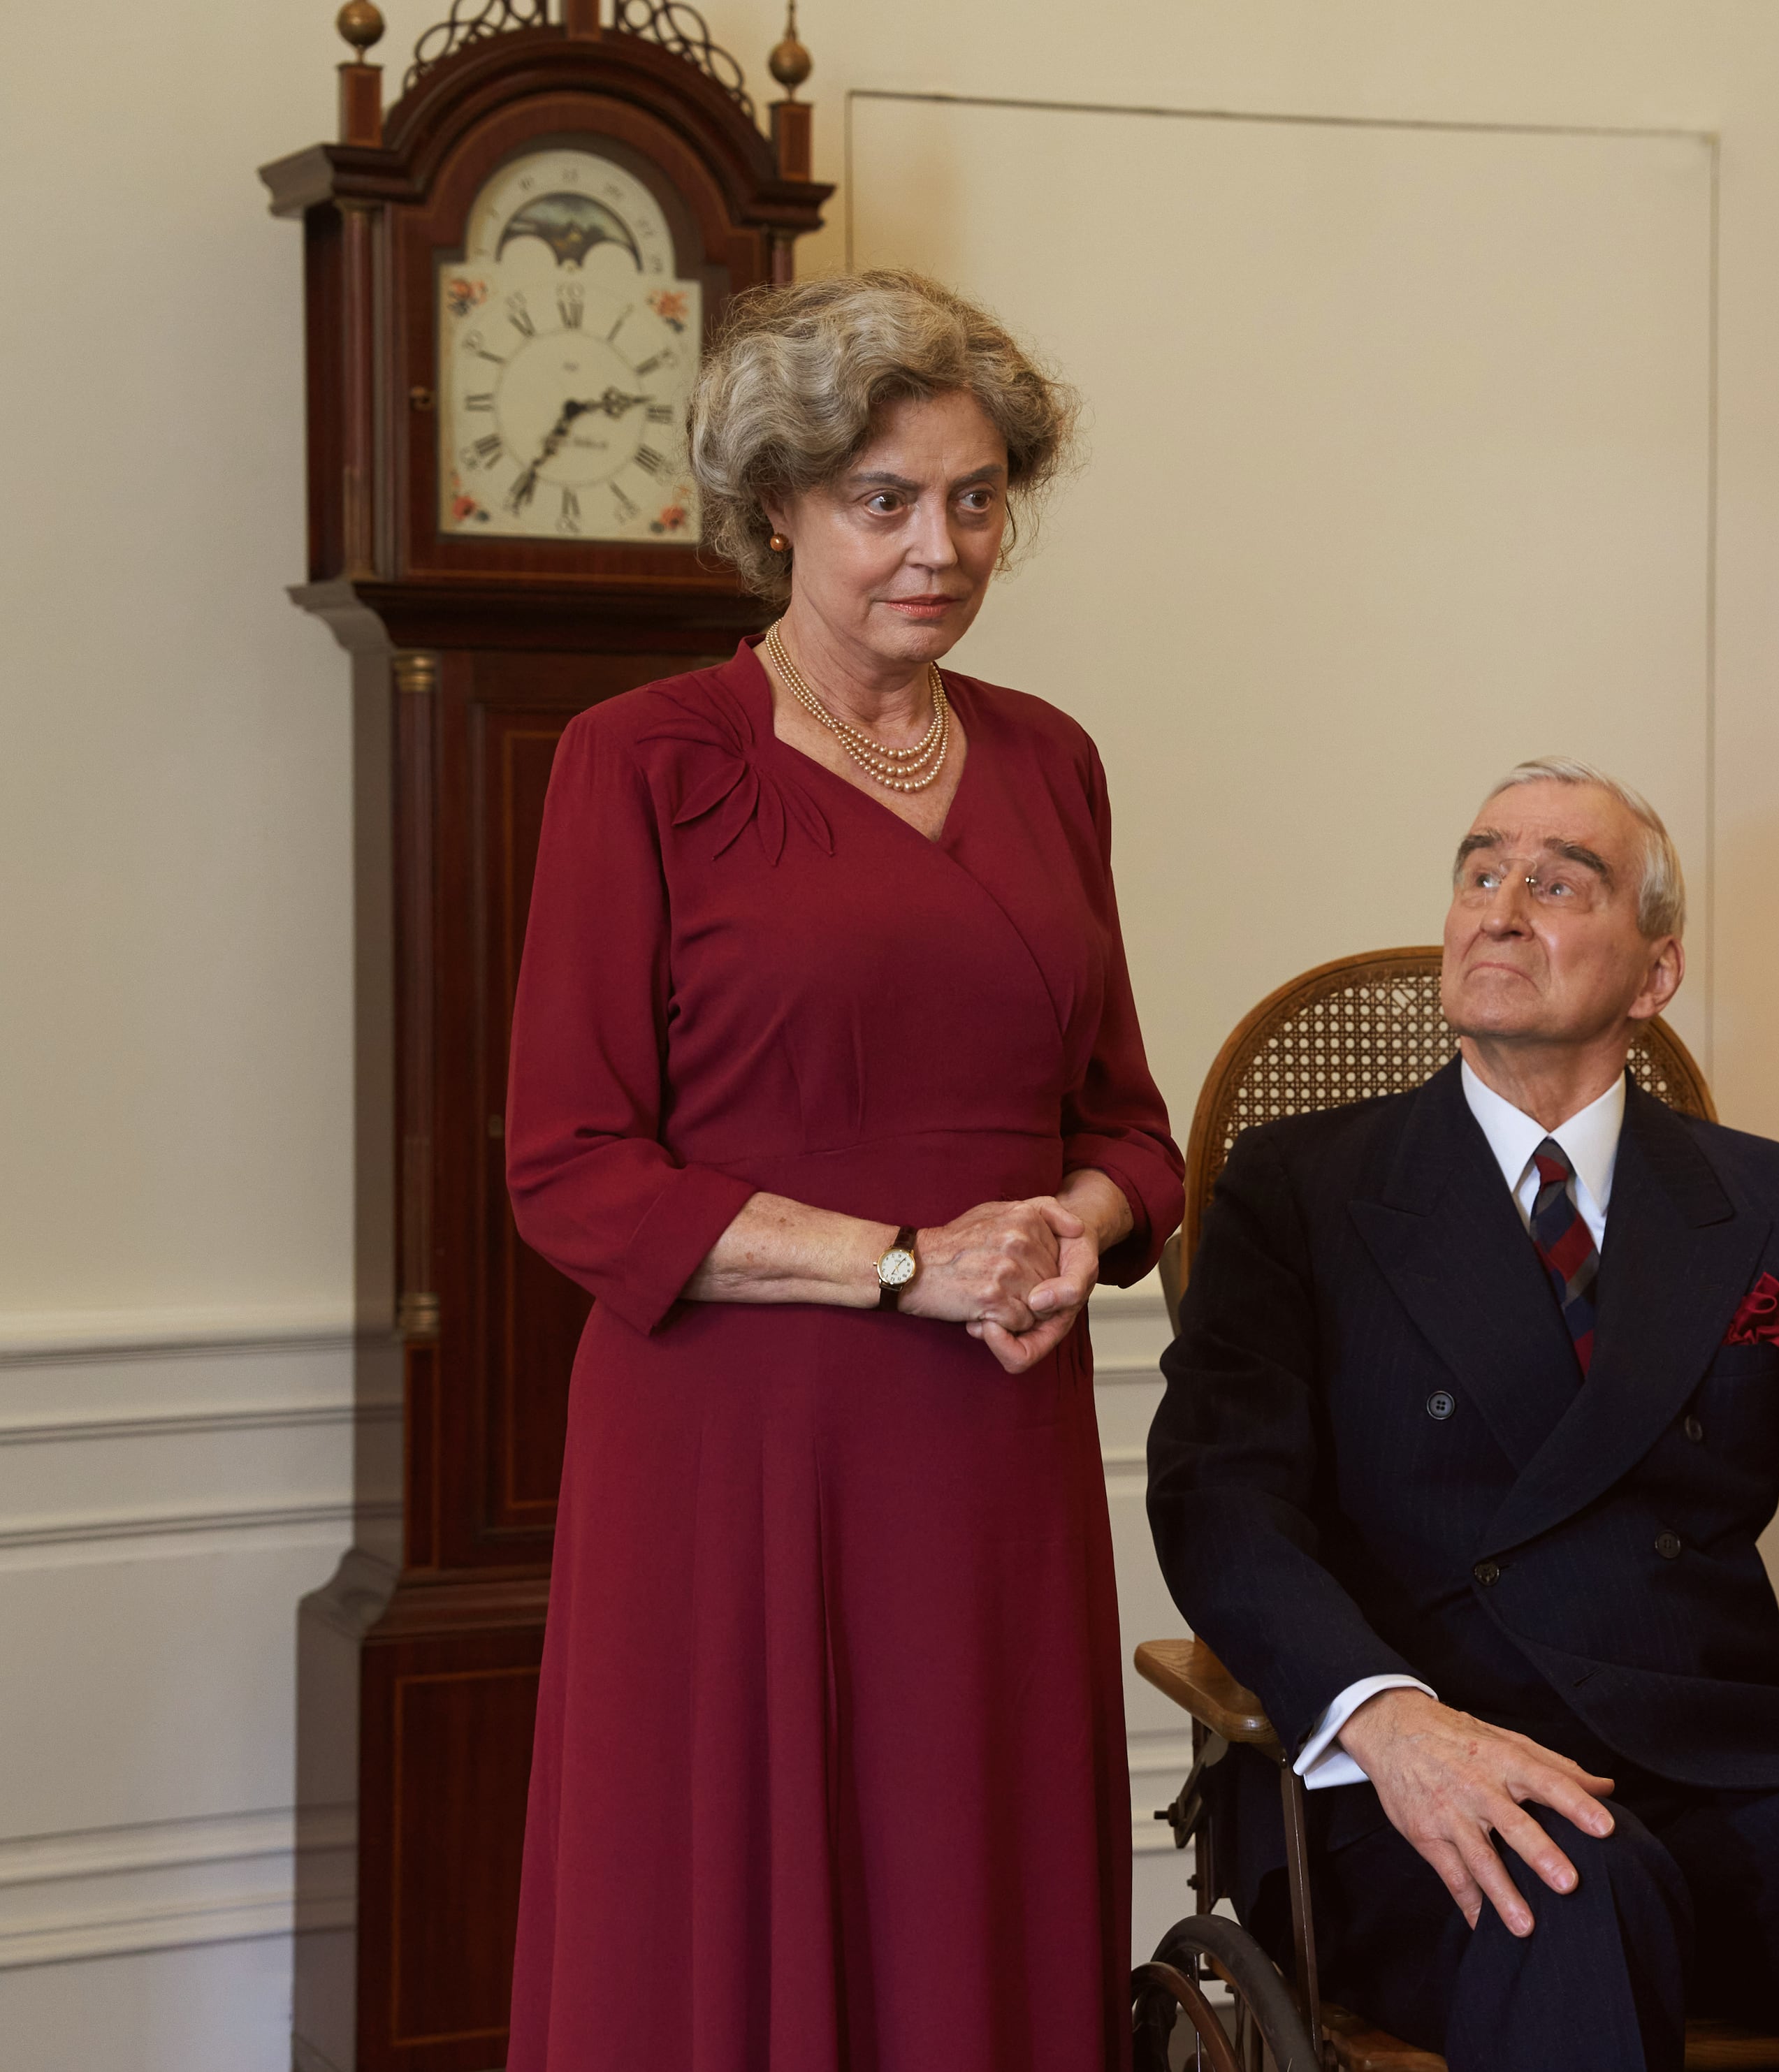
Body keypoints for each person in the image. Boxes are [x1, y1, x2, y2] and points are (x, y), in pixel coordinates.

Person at [1146, 758, 1779, 2072]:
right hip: (1428, 1781)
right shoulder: (1300, 1189)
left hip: (1723, 1770)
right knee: (1568, 1885)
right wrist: (1385, 1716)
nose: (1500, 907)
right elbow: (1223, 1505)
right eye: (1481, 871)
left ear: (1655, 972)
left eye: (1558, 883)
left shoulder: (1775, 1209)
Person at [503, 270, 1183, 2071]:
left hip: (993, 1447)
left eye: (976, 498)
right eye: (883, 500)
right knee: (726, 1925)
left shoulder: (1053, 763)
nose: (937, 547)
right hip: (732, 1447)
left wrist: (1068, 1225)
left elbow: (1131, 1130)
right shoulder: (637, 761)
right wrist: (903, 1263)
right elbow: (569, 1169)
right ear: (778, 508)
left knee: (973, 1896)